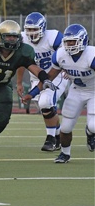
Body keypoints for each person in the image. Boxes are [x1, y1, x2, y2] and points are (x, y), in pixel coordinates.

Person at [0, 20, 56, 161]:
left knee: (3, 119)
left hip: (2, 86)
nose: (12, 39)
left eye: (14, 36)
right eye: (8, 36)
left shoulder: (23, 51)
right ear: (0, 36)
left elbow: (33, 67)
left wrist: (46, 78)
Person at [23, 24, 94, 163]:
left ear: (83, 40)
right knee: (65, 127)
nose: (70, 45)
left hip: (94, 91)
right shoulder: (60, 55)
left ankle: (90, 132)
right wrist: (32, 94)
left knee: (93, 126)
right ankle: (65, 154)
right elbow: (48, 77)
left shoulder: (91, 55)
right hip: (76, 90)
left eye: (73, 41)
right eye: (67, 41)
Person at [16, 12, 67, 152]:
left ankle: (50, 139)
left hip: (56, 74)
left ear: (43, 28)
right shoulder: (22, 39)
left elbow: (66, 54)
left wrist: (68, 69)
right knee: (46, 107)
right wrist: (19, 82)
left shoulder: (54, 37)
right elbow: (21, 62)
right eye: (29, 29)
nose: (31, 33)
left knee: (45, 102)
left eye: (34, 29)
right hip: (36, 77)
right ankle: (57, 137)